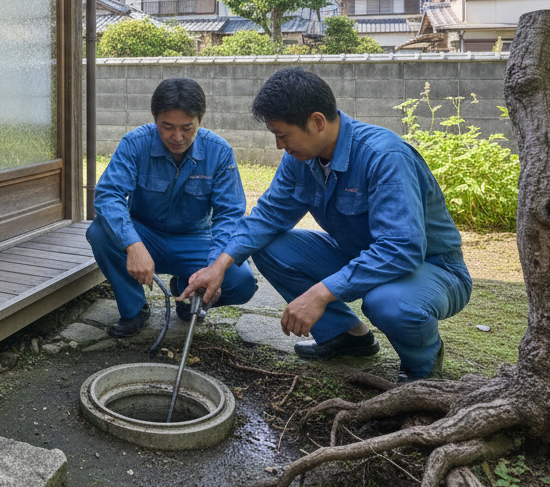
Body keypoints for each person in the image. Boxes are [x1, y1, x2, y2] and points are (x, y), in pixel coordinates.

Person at [183, 68, 470, 381]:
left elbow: (402, 249)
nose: (279, 145)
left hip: (431, 267)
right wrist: (220, 265)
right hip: (356, 254)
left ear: (317, 122)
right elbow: (268, 215)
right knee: (268, 246)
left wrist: (319, 294)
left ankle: (422, 370)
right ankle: (345, 336)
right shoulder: (301, 158)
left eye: (283, 135)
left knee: (388, 303)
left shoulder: (385, 157)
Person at [86, 78, 258, 338]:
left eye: (187, 128)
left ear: (201, 119)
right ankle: (134, 309)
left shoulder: (220, 152)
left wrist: (213, 267)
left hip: (196, 239)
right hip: (145, 235)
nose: (177, 137)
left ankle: (187, 292)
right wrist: (133, 245)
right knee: (99, 232)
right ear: (154, 117)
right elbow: (108, 195)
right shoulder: (135, 144)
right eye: (167, 127)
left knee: (242, 282)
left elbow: (229, 214)